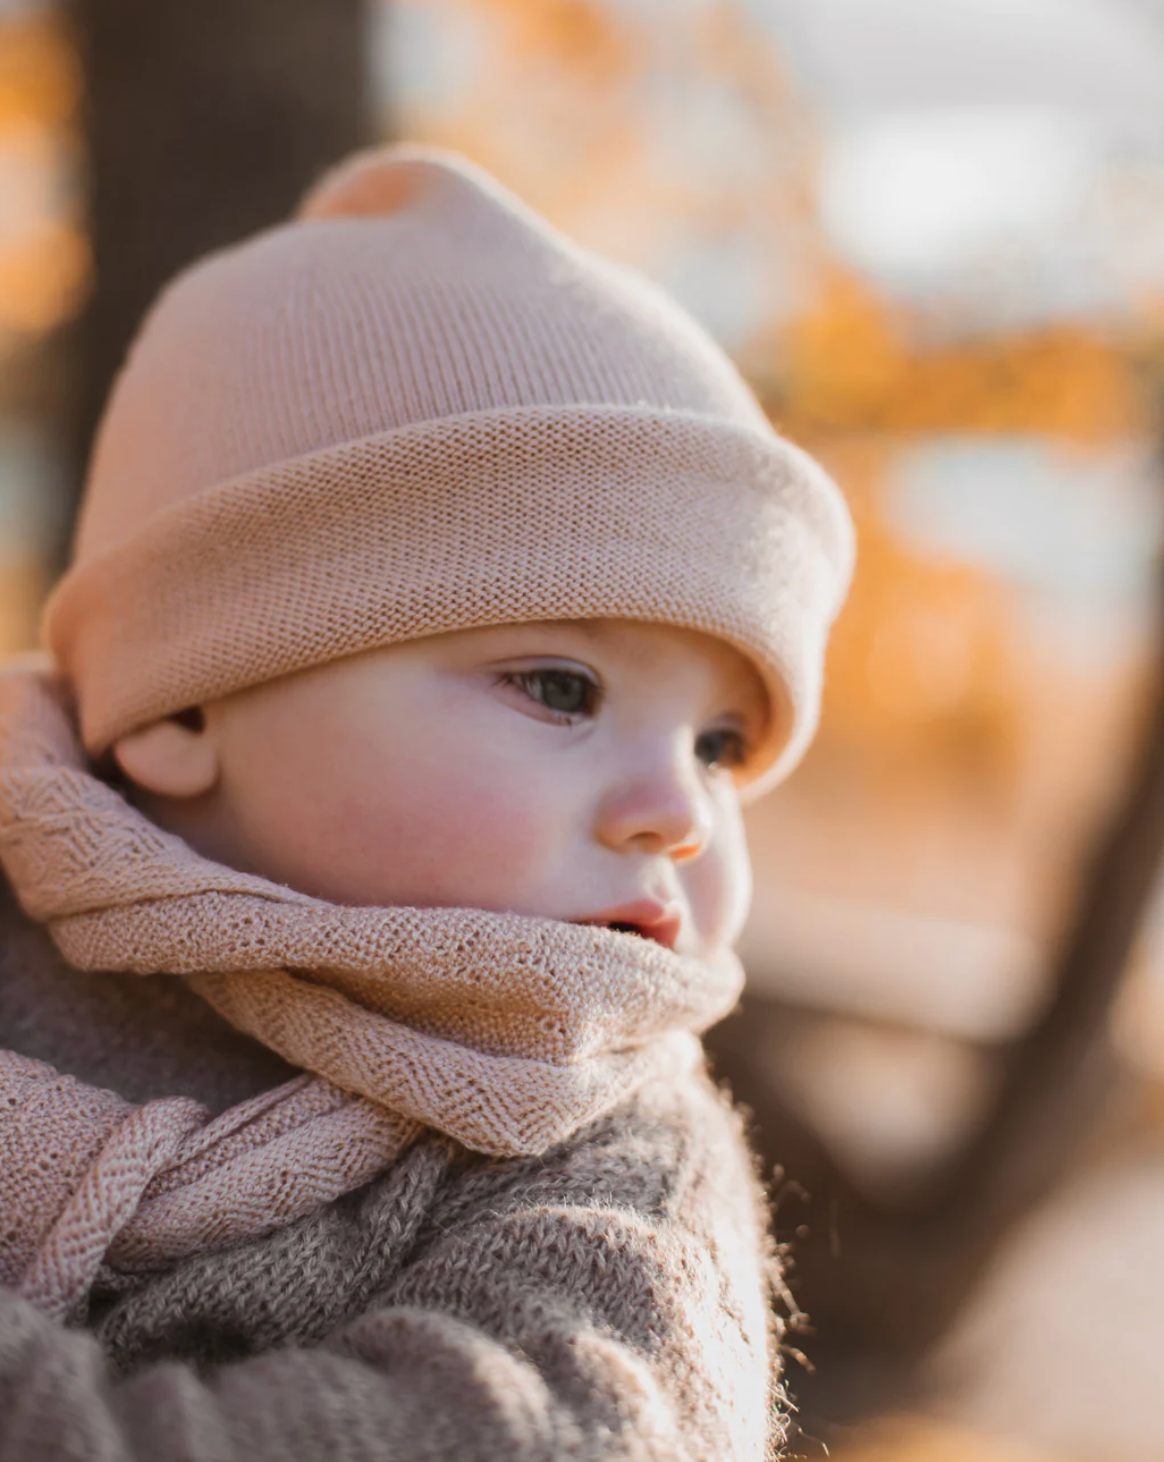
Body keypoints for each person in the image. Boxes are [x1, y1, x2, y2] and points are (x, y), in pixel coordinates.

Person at [0, 144, 853, 1460]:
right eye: (562, 687)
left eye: (722, 743)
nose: (678, 811)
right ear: (180, 704)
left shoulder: (605, 1152)